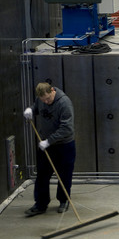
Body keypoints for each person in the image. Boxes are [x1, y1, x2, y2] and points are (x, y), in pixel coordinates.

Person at [23, 82, 75, 216]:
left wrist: (49, 141)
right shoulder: (41, 100)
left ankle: (64, 201)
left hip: (64, 145)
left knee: (64, 174)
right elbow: (37, 107)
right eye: (43, 100)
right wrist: (31, 110)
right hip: (46, 144)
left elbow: (67, 128)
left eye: (48, 99)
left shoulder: (64, 103)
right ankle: (40, 204)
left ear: (52, 91)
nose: (46, 102)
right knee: (42, 174)